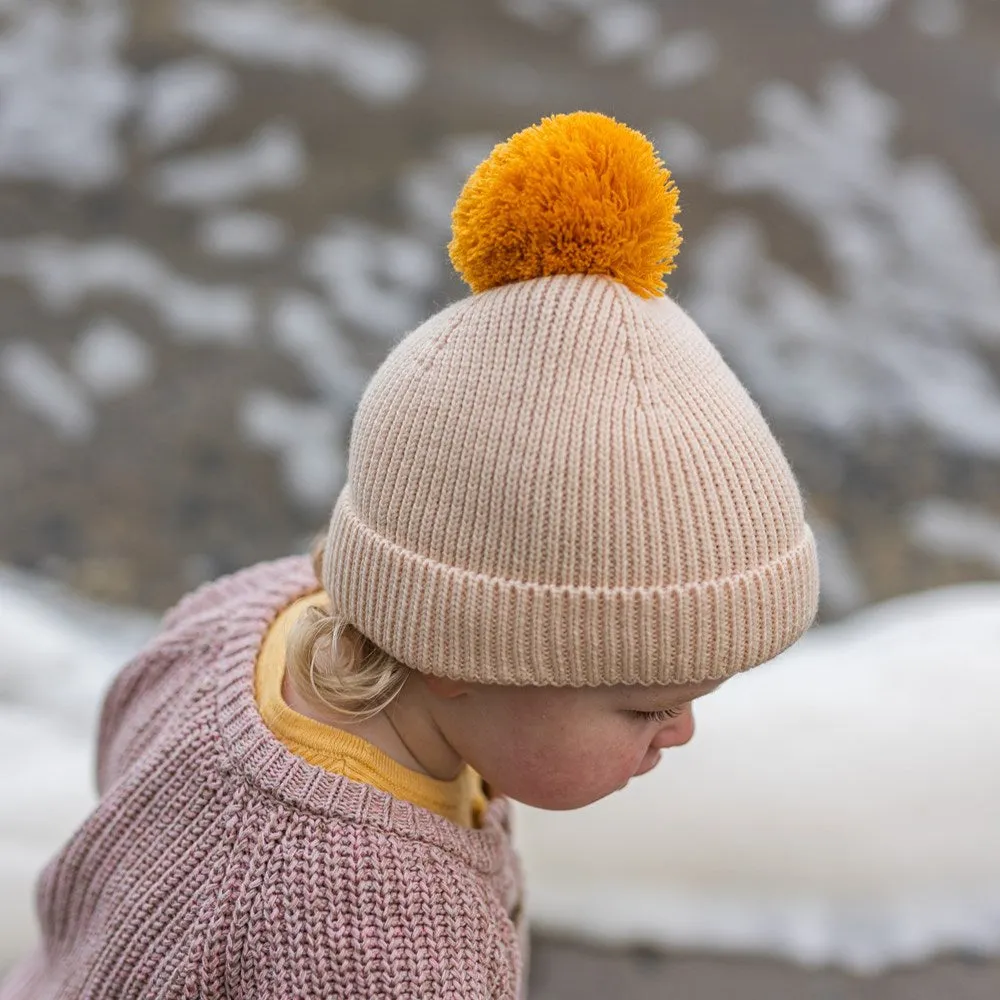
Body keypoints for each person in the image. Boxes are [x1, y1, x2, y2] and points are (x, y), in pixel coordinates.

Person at [0, 111, 819, 1000]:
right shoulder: (391, 939)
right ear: (462, 649)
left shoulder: (233, 622)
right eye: (644, 708)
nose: (683, 732)